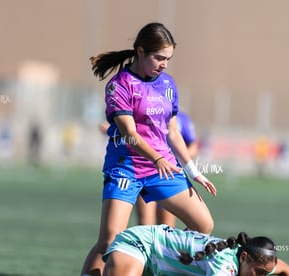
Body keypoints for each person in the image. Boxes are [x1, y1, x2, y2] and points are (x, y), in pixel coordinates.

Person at [81, 22, 217, 276]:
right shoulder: (119, 85)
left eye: (168, 58)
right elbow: (129, 135)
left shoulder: (167, 84)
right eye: (159, 57)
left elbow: (173, 134)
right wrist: (156, 159)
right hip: (126, 169)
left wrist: (194, 172)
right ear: (140, 51)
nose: (164, 64)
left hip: (162, 168)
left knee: (203, 226)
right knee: (109, 240)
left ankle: (161, 263)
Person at [102, 224, 289, 276]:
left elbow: (285, 269)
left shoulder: (253, 260)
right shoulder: (225, 265)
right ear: (244, 257)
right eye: (260, 273)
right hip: (138, 245)